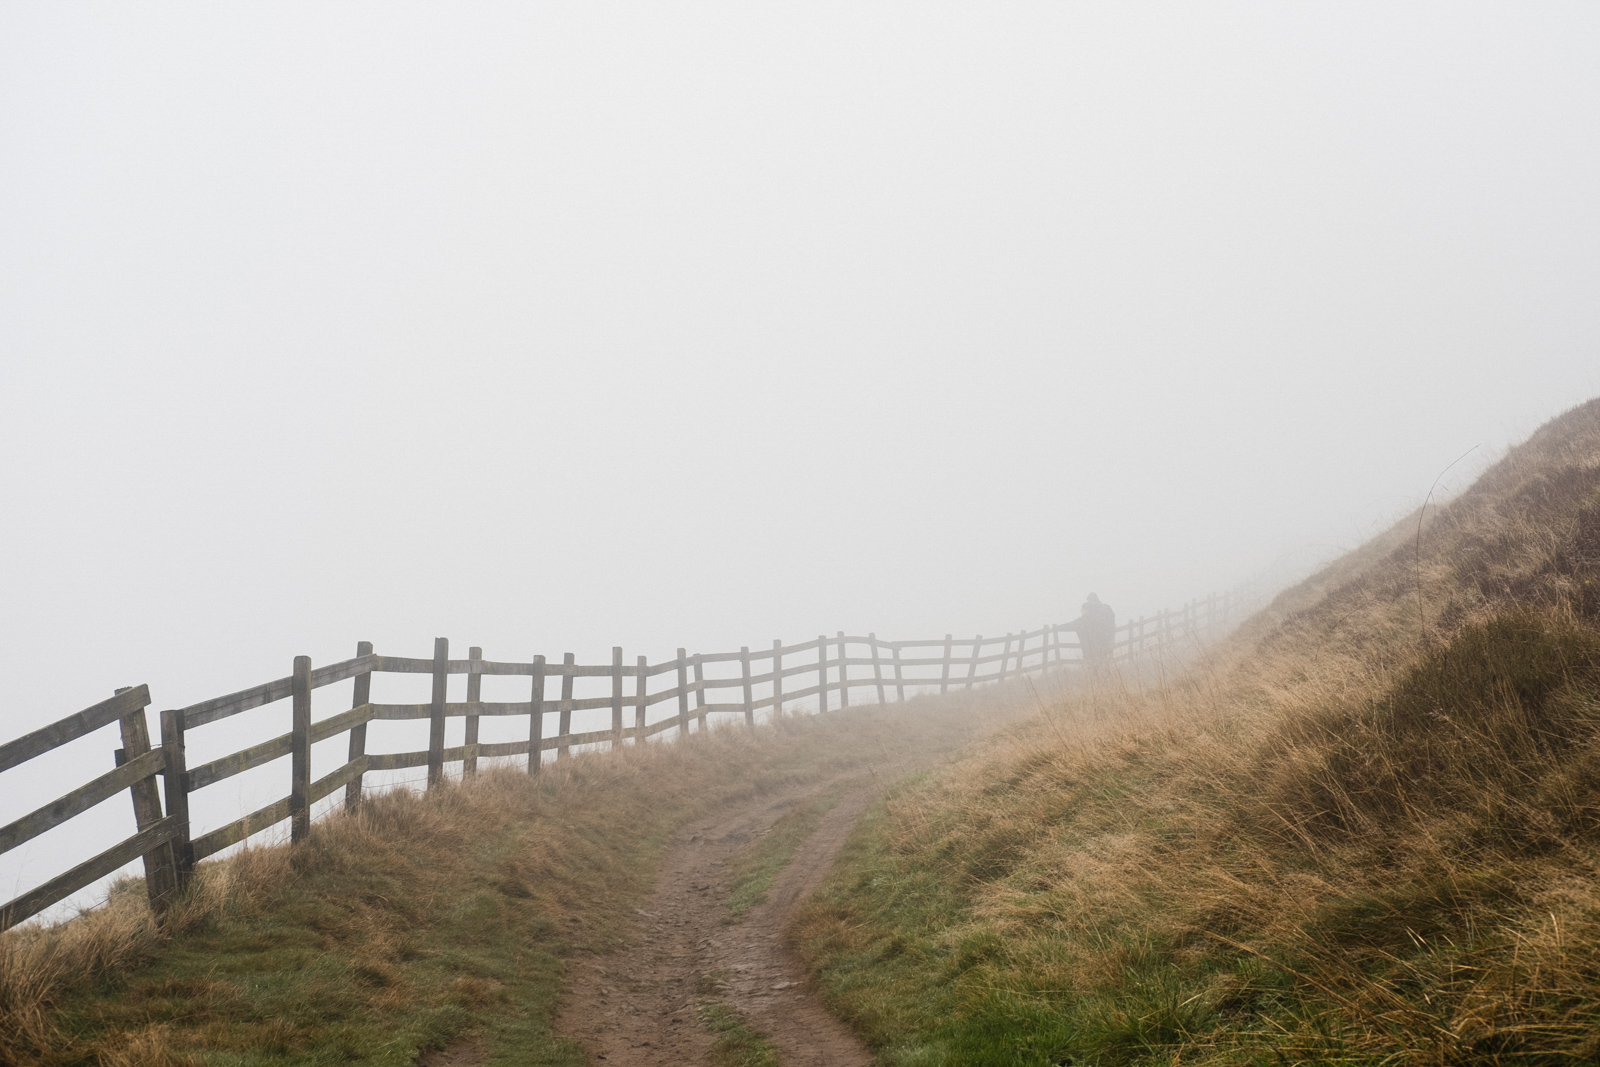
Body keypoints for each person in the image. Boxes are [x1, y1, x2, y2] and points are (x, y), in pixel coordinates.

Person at [1065, 592, 1116, 669]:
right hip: (1105, 639)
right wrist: (1109, 630)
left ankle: (1097, 676)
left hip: (1093, 644)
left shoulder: (1089, 616)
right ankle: (1105, 674)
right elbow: (1112, 618)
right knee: (1104, 659)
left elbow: (1072, 625)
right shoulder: (1105, 608)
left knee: (1094, 661)